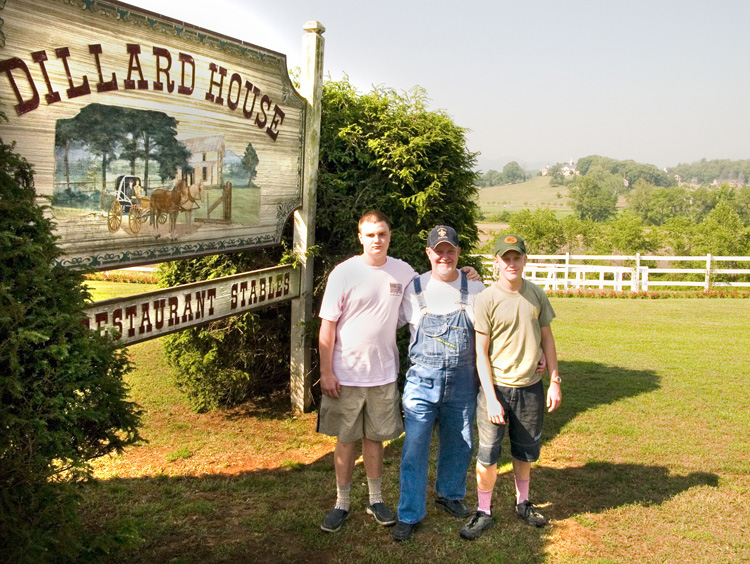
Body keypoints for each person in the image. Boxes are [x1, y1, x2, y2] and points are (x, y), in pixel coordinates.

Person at [317, 212, 480, 533]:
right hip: (373, 376)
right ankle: (362, 506)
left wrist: (465, 273)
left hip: (403, 376)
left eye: (382, 234)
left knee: (441, 440)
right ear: (361, 236)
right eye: (371, 234)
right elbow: (330, 325)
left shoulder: (413, 275)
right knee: (373, 443)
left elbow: (484, 325)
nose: (377, 239)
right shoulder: (361, 275)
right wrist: (326, 370)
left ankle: (417, 497)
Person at [460, 234, 562, 540]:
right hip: (497, 389)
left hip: (530, 387)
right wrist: (490, 398)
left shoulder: (536, 295)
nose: (512, 263)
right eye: (506, 258)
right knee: (488, 454)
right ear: (497, 262)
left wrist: (554, 380)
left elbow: (547, 339)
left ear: (525, 260)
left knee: (523, 452)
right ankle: (484, 511)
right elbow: (480, 353)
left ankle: (522, 503)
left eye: (517, 257)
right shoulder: (486, 299)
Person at [391, 226, 487, 541]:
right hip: (421, 380)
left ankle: (449, 493)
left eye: (450, 250)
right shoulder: (413, 288)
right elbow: (386, 323)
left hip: (462, 381)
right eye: (438, 250)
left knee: (460, 441)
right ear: (429, 253)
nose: (444, 256)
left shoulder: (475, 289)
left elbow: (494, 331)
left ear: (459, 253)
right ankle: (409, 513)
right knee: (415, 446)